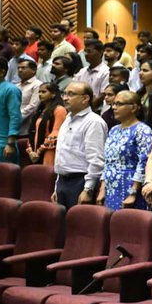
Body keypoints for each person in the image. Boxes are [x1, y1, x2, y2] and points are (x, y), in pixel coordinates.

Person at [51, 82, 107, 210]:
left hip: (80, 182)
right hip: (63, 181)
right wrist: (56, 187)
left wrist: (88, 189)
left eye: (71, 94)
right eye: (64, 94)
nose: (65, 98)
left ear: (85, 98)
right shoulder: (67, 119)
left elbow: (96, 159)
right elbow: (62, 155)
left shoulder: (93, 122)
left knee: (78, 226)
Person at [97, 90, 152, 211]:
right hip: (111, 188)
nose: (114, 107)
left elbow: (144, 162)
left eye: (119, 104)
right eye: (113, 104)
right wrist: (102, 189)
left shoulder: (142, 130)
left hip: (130, 186)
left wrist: (133, 192)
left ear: (133, 107)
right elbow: (108, 161)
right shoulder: (113, 130)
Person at [25, 82, 66, 169]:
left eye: (44, 92)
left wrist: (39, 151)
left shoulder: (59, 110)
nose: (40, 94)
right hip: (34, 153)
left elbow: (56, 133)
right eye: (39, 92)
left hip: (49, 151)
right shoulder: (39, 111)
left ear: (53, 94)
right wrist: (31, 151)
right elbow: (32, 132)